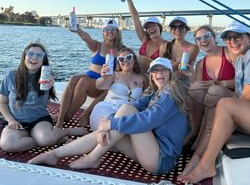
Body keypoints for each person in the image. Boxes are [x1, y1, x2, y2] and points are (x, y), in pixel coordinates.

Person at [178, 21, 250, 183]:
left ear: (249, 37)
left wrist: (220, 103)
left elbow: (247, 99)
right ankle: (197, 157)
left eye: (237, 36)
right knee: (219, 106)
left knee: (224, 105)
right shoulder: (242, 59)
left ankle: (205, 164)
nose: (232, 41)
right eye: (228, 38)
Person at [28, 57, 191, 175]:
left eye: (163, 70)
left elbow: (149, 119)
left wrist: (111, 124)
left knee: (125, 111)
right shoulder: (155, 92)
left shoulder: (171, 91)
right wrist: (110, 123)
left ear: (170, 73)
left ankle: (92, 157)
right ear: (151, 75)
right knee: (107, 132)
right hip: (150, 149)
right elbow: (137, 105)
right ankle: (54, 154)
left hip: (161, 159)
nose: (159, 74)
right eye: (155, 71)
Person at [0, 42, 84, 152]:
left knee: (45, 139)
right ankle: (49, 139)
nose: (34, 57)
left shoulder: (46, 77)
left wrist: (50, 85)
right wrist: (10, 120)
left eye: (39, 55)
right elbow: (2, 103)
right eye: (31, 53)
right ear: (24, 56)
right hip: (16, 121)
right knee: (7, 145)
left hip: (39, 120)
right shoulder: (10, 76)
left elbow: (46, 95)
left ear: (43, 60)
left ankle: (64, 132)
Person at [180, 25, 236, 176]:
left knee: (214, 90)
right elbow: (196, 91)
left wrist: (221, 83)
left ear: (214, 37)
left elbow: (245, 81)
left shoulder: (229, 53)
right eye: (198, 38)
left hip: (234, 101)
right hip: (211, 105)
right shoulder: (201, 64)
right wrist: (191, 76)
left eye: (206, 36)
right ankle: (194, 133)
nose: (203, 40)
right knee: (196, 88)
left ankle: (200, 153)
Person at [55, 18, 125, 128]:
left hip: (103, 83)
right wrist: (78, 30)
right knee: (73, 78)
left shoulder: (122, 50)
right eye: (106, 29)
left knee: (83, 82)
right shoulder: (97, 45)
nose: (109, 31)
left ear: (117, 31)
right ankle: (61, 117)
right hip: (90, 76)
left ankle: (71, 116)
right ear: (103, 32)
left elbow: (128, 65)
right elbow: (86, 38)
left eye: (112, 29)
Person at [89, 47, 146, 131]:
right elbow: (100, 86)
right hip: (106, 110)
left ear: (134, 59)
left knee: (121, 133)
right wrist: (104, 78)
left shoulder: (142, 79)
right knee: (117, 129)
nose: (125, 61)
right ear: (119, 62)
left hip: (126, 115)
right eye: (121, 59)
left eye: (128, 57)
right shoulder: (114, 75)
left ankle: (75, 133)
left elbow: (147, 98)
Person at [125, 0, 166, 73]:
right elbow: (135, 17)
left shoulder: (166, 45)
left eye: (153, 25)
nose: (151, 29)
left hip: (152, 79)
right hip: (137, 76)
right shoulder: (145, 39)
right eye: (148, 27)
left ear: (160, 27)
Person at [159, 16, 199, 84]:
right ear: (171, 30)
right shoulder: (163, 46)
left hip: (184, 82)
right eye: (174, 27)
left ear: (186, 30)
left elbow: (179, 66)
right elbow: (161, 67)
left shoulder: (193, 48)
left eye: (181, 27)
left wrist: (169, 64)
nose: (177, 30)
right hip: (166, 81)